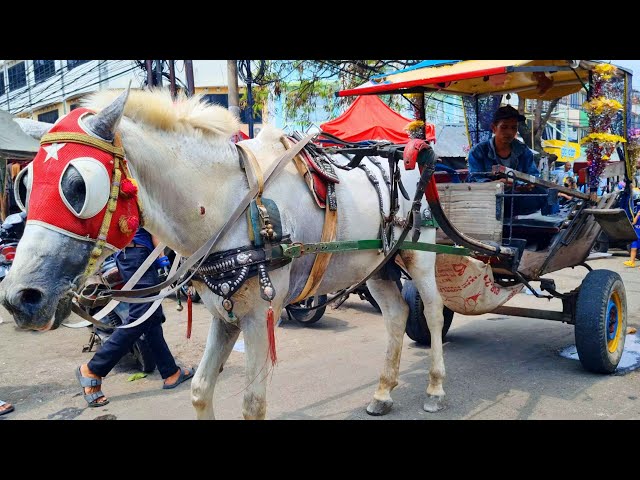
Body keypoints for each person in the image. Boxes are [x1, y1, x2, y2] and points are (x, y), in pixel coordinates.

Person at [76, 227, 195, 407]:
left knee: (152, 316)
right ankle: (93, 369)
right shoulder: (137, 198)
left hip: (131, 253)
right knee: (140, 318)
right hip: (137, 254)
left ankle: (171, 372)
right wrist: (162, 256)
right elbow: (155, 228)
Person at [467, 105, 548, 216]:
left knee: (543, 192)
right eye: (504, 127)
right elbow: (474, 181)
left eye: (513, 128)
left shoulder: (524, 151)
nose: (509, 132)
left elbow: (533, 176)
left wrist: (524, 184)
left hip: (517, 198)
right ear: (494, 128)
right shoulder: (478, 151)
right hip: (489, 199)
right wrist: (496, 184)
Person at [624, 203, 640, 268]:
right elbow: (634, 222)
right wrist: (638, 215)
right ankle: (632, 262)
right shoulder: (638, 215)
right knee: (633, 248)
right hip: (636, 236)